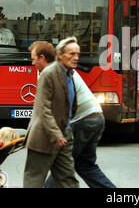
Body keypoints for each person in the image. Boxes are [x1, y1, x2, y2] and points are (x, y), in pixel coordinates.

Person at [42, 42, 116, 188]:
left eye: (34, 58)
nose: (32, 62)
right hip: (96, 116)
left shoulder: (55, 73)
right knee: (85, 165)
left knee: (61, 165)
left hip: (84, 120)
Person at [23, 37, 80, 188]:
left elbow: (71, 104)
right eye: (72, 54)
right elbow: (43, 107)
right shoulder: (48, 74)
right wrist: (56, 134)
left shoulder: (69, 74)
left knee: (68, 180)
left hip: (64, 135)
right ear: (60, 55)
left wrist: (66, 129)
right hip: (44, 136)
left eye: (77, 54)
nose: (76, 58)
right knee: (34, 180)